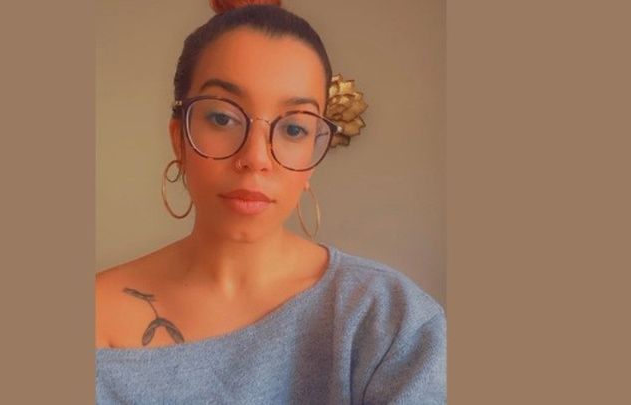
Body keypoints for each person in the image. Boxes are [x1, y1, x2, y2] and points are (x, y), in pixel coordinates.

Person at [95, 1, 446, 403]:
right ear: (180, 139)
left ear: (314, 153)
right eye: (223, 118)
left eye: (294, 128)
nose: (257, 158)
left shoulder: (388, 321)